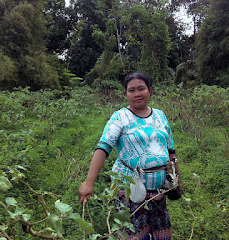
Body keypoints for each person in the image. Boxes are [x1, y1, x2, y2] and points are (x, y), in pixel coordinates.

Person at [78, 72, 182, 239]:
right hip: (128, 188)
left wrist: (177, 180)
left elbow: (170, 150)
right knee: (133, 233)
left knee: (160, 233)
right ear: (126, 94)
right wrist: (89, 182)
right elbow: (103, 147)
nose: (137, 94)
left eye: (141, 89)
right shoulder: (120, 117)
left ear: (150, 91)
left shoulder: (160, 116)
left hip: (158, 190)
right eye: (131, 90)